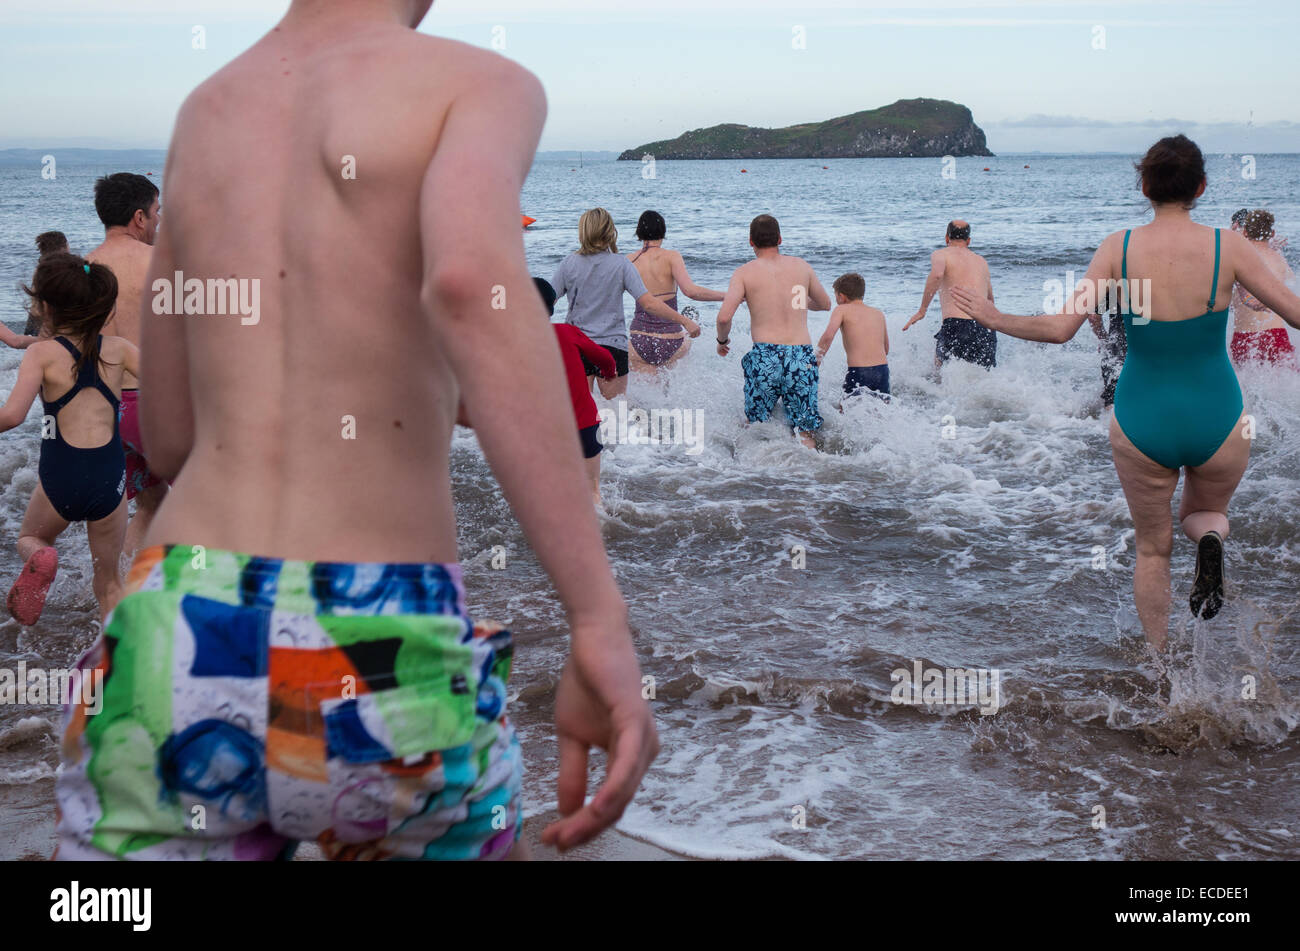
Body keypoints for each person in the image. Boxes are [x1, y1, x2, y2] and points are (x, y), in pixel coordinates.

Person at [56, 0, 657, 862]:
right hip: (375, 637)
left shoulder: (206, 111)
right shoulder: (479, 84)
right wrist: (596, 615)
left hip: (173, 624)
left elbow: (179, 436)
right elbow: (469, 287)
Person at [953, 135, 1300, 653]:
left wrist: (994, 317)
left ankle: (1162, 671)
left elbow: (1060, 329)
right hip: (1222, 417)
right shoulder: (1231, 247)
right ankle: (1210, 539)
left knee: (1152, 550)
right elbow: (1294, 314)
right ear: (1201, 187)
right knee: (1205, 514)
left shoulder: (1119, 247)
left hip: (1141, 418)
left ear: (1143, 186)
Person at [1, 254, 135, 627]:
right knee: (109, 584)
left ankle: (41, 558)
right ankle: (121, 664)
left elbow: (12, 416)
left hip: (62, 475)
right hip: (109, 478)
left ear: (45, 307)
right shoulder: (120, 349)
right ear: (104, 310)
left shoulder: (41, 353)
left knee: (31, 537)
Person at [87, 173, 166, 557]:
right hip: (153, 408)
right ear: (139, 217)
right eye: (157, 212)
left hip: (100, 411)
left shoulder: (81, 270)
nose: (158, 222)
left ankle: (126, 587)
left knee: (151, 503)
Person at [551, 208, 700, 399]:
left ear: (583, 232)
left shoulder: (568, 263)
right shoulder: (621, 264)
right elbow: (649, 303)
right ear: (610, 231)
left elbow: (546, 301)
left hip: (578, 346)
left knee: (581, 411)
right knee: (615, 413)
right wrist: (685, 321)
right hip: (612, 347)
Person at [715, 214, 830, 449]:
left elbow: (724, 316)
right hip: (799, 356)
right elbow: (825, 304)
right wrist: (794, 301)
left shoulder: (744, 273)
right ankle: (810, 481)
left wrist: (722, 340)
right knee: (805, 430)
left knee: (757, 428)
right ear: (780, 239)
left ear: (751, 242)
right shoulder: (801, 267)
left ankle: (757, 479)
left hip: (764, 356)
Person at [531, 278, 618, 506]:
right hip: (585, 425)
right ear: (552, 306)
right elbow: (605, 358)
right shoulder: (567, 332)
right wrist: (609, 373)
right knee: (592, 490)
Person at [625, 210, 723, 372]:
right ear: (663, 231)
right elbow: (691, 291)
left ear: (639, 233)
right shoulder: (672, 257)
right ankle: (691, 319)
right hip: (671, 339)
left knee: (643, 392)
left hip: (637, 340)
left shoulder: (629, 260)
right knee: (686, 343)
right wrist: (727, 296)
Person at [902, 220, 997, 372]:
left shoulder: (941, 254)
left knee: (940, 376)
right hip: (984, 328)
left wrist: (922, 310)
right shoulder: (981, 261)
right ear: (969, 241)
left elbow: (937, 275)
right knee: (983, 379)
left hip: (956, 325)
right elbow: (990, 300)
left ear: (946, 238)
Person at [1229, 210, 1297, 368]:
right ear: (1272, 233)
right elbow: (1292, 290)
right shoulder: (1279, 259)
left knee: (1244, 388)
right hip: (1276, 336)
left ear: (1244, 232)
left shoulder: (1237, 258)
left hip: (1244, 338)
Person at [815, 272, 890, 403]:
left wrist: (816, 361)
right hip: (882, 371)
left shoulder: (841, 309)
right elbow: (886, 349)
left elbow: (828, 336)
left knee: (846, 410)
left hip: (859, 372)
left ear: (842, 296)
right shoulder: (878, 313)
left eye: (835, 296)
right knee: (881, 410)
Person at [3, 232, 69, 349]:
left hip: (35, 317)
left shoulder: (42, 267)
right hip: (46, 319)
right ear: (64, 247)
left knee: (35, 352)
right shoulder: (57, 268)